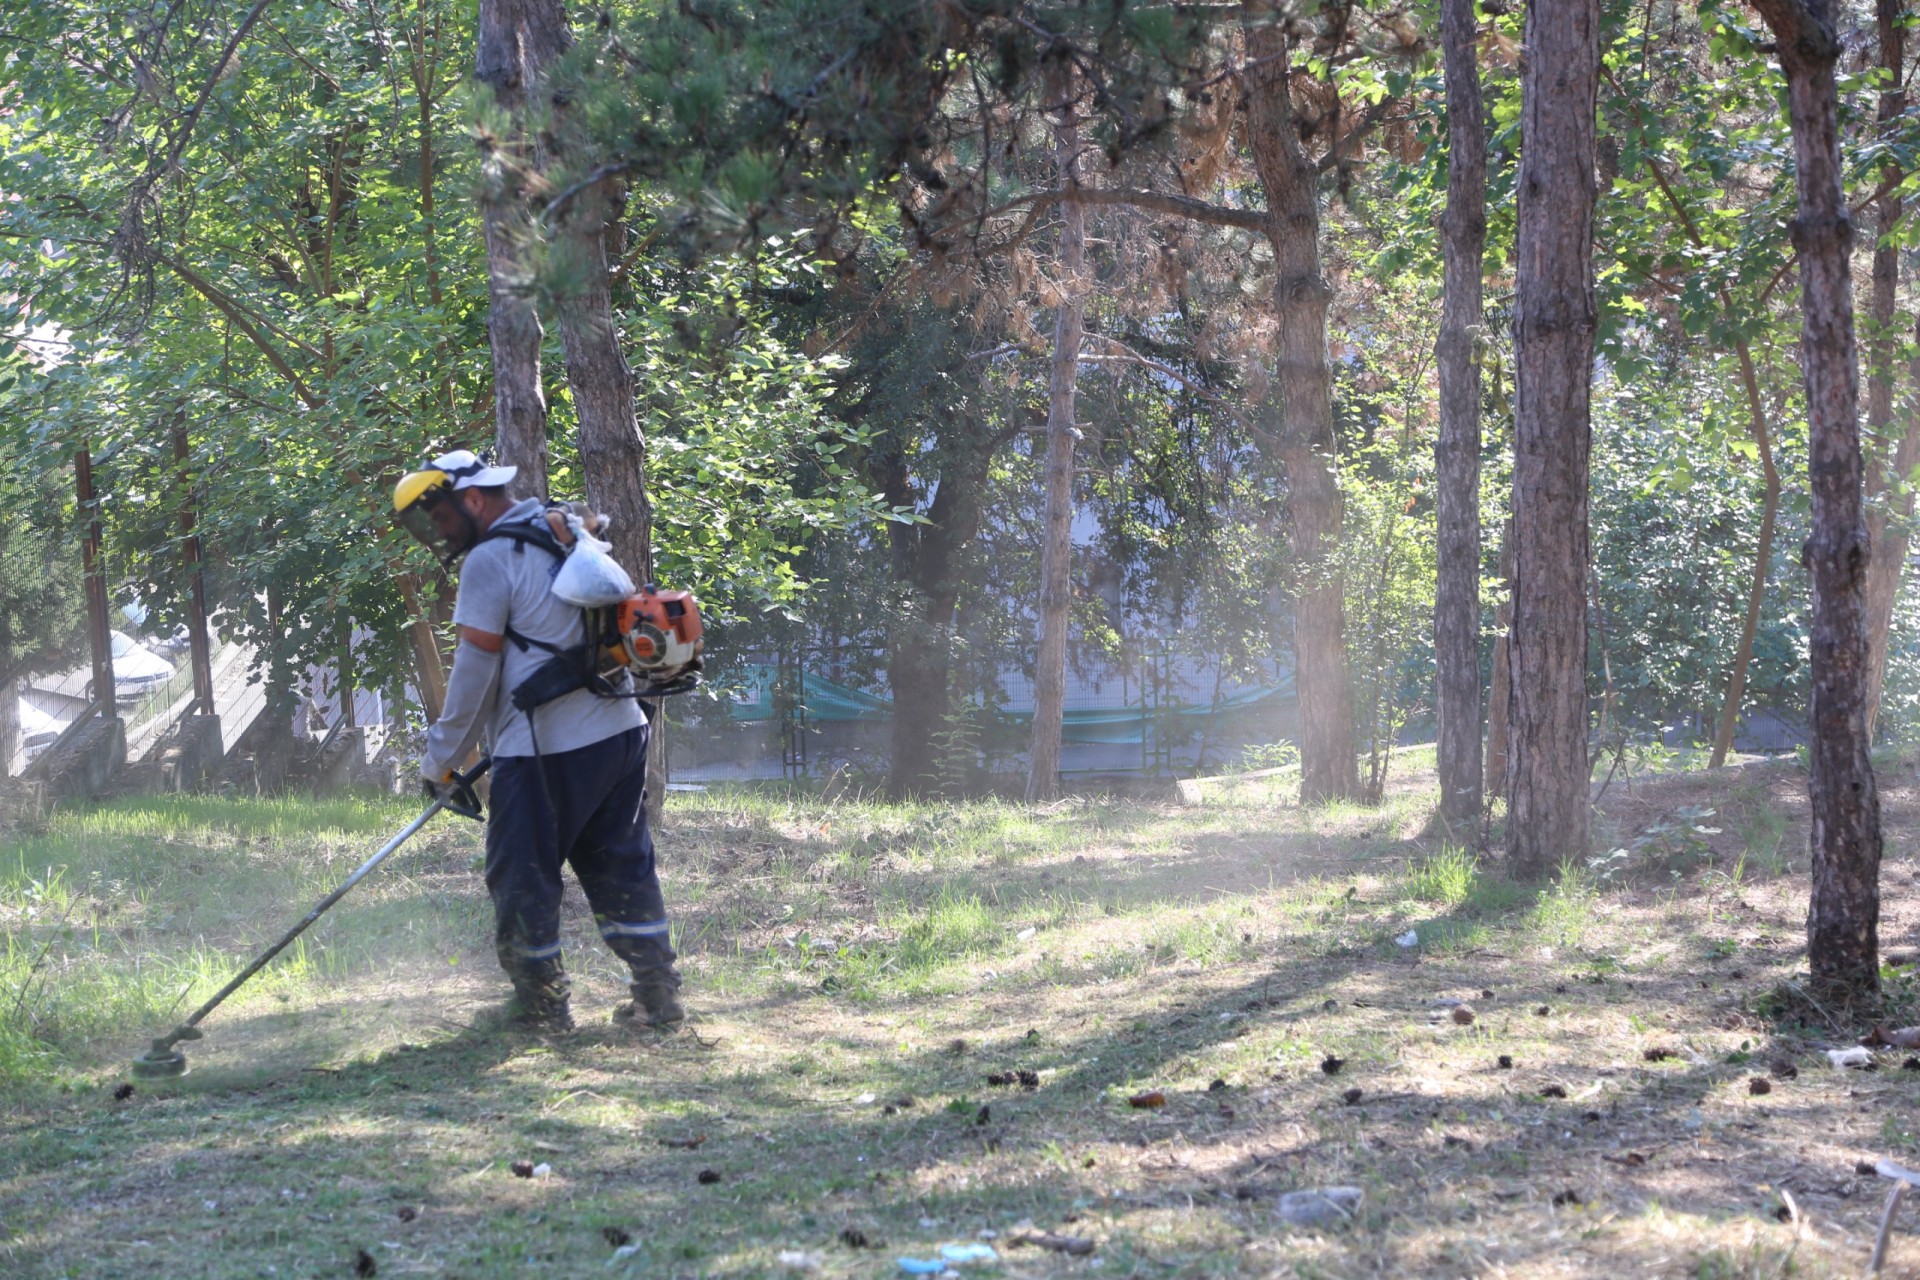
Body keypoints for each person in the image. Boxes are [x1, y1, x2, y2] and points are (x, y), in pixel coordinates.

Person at [393, 449, 684, 1032]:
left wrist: (441, 760)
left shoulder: (491, 560)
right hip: (621, 729)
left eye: (443, 518)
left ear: (473, 499)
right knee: (621, 867)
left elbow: (474, 674)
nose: (442, 533)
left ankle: (541, 1006)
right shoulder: (566, 527)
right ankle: (658, 996)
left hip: (547, 749)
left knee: (521, 875)